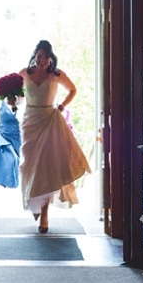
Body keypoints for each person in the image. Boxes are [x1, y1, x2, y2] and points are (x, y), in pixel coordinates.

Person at [19, 40, 91, 233]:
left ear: (50, 58)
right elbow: (17, 96)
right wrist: (11, 99)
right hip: (30, 121)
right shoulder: (24, 73)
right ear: (35, 56)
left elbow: (73, 90)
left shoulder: (56, 75)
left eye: (44, 57)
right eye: (38, 56)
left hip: (50, 120)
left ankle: (44, 213)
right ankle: (32, 200)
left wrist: (62, 105)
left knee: (47, 167)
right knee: (28, 165)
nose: (41, 60)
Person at [0, 95, 23, 189]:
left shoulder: (21, 102)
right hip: (4, 134)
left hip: (16, 136)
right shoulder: (1, 102)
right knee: (12, 158)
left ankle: (10, 180)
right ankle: (6, 180)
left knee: (17, 159)